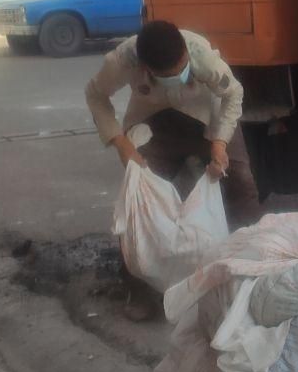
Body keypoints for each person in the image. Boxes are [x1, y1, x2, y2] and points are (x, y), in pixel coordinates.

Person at [86, 18, 260, 228]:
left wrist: (220, 142)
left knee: (240, 179)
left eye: (182, 69)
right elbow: (95, 95)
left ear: (185, 52)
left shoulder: (201, 56)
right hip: (154, 116)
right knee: (145, 185)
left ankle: (248, 246)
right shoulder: (122, 61)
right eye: (168, 76)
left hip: (206, 112)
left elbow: (233, 93)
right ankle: (157, 248)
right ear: (146, 67)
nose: (178, 76)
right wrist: (121, 144)